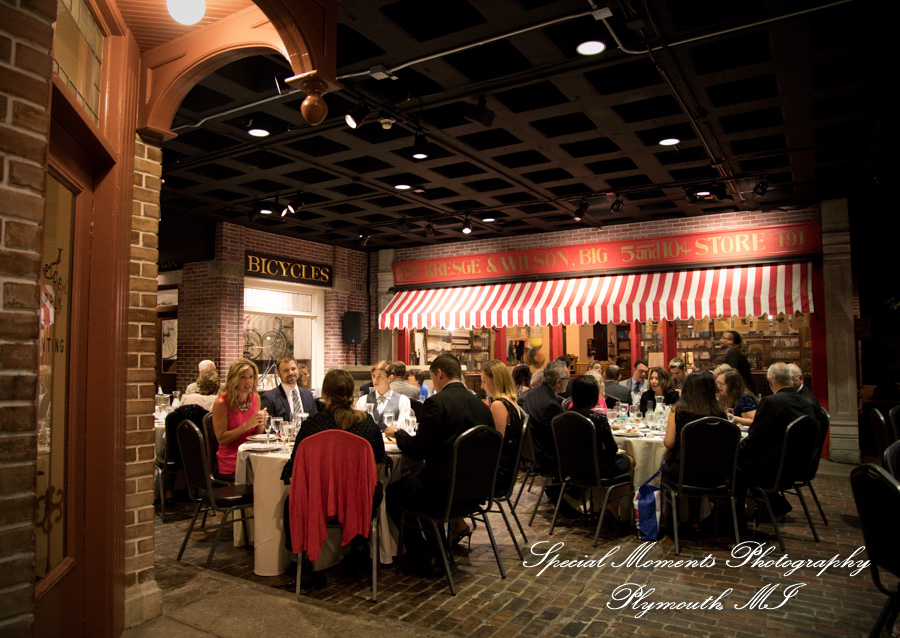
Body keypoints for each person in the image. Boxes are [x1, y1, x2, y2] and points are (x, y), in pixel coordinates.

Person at [385, 354, 493, 572]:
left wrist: (399, 434)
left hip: (443, 490)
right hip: (476, 490)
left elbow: (418, 451)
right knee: (418, 489)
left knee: (396, 493)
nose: (433, 383)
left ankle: (424, 557)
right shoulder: (482, 406)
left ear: (440, 374)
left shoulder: (437, 403)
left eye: (433, 378)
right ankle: (439, 551)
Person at [279, 368, 385, 560]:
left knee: (289, 502)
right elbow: (377, 465)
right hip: (358, 497)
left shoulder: (312, 425)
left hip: (318, 498)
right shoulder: (367, 423)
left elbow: (297, 466)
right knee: (377, 491)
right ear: (351, 394)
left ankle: (298, 560)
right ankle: (359, 547)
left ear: (325, 395)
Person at [737, 362, 819, 527]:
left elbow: (754, 440)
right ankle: (770, 508)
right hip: (799, 465)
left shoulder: (771, 402)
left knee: (736, 465)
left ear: (770, 381)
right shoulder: (807, 403)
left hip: (774, 468)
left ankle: (737, 518)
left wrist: (735, 449)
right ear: (790, 379)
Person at [663, 371, 726, 530]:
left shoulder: (678, 411)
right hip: (715, 474)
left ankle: (674, 517)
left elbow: (669, 443)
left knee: (675, 465)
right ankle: (695, 517)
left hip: (683, 472)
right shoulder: (720, 414)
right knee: (697, 464)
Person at [211, 359, 267, 480]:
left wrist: (261, 423)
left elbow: (256, 434)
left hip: (251, 454)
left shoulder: (255, 398)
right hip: (232, 459)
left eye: (251, 377)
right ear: (234, 379)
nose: (248, 382)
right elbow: (222, 438)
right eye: (243, 377)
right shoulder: (221, 403)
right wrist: (247, 425)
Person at [569, 375, 633, 478]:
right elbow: (612, 450)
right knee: (630, 459)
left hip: (571, 467)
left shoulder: (562, 417)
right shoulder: (597, 419)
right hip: (597, 468)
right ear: (594, 397)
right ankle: (622, 494)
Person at [480, 360, 524, 498]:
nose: (482, 386)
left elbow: (495, 446)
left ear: (496, 380)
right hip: (508, 472)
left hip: (498, 477)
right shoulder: (512, 401)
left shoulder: (499, 405)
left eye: (484, 381)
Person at [520, 361, 568, 477]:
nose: (569, 381)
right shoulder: (550, 405)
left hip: (530, 453)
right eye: (567, 378)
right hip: (545, 459)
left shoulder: (533, 393)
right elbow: (560, 437)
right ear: (558, 382)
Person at [355, 361, 411, 431]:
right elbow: (358, 426)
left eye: (379, 376)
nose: (375, 380)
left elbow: (403, 428)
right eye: (373, 376)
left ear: (390, 378)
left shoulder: (403, 400)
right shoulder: (363, 400)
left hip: (392, 441)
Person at [260, 355, 318, 423]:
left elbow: (315, 422)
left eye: (293, 369)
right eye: (286, 370)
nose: (290, 373)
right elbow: (268, 426)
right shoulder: (269, 398)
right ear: (278, 373)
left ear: (298, 370)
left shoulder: (308, 395)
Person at [719, 330, 755, 395]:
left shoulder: (733, 353)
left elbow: (731, 373)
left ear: (731, 341)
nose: (721, 340)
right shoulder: (735, 352)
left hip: (741, 391)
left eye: (723, 338)